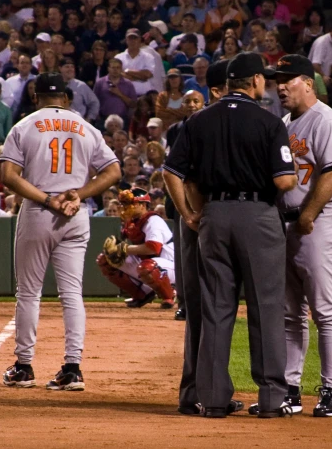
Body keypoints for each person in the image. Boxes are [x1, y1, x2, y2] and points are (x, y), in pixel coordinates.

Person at [163, 52, 297, 418]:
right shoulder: (269, 122)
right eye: (263, 79)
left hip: (214, 215)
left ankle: (213, 399)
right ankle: (271, 399)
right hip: (258, 216)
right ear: (254, 81)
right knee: (266, 307)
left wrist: (189, 212)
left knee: (216, 309)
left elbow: (171, 171)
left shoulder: (198, 121)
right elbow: (284, 180)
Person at [0, 72, 120, 391]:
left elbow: (8, 175)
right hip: (75, 212)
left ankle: (24, 367)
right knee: (72, 294)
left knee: (28, 292)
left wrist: (46, 199)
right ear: (66, 98)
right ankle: (72, 368)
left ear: (36, 97)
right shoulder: (87, 128)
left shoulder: (24, 125)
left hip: (41, 210)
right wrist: (79, 194)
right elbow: (114, 171)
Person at [255, 55, 332, 419]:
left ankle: (330, 391)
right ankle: (290, 390)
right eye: (277, 79)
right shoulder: (283, 124)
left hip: (320, 218)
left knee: (324, 309)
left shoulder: (325, 120)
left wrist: (307, 215)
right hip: (286, 222)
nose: (280, 85)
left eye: (288, 78)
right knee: (291, 313)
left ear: (308, 83)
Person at [164, 60, 228, 334]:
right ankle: (186, 304)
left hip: (210, 197)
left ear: (205, 101)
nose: (191, 105)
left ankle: (213, 306)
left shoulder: (213, 123)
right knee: (185, 256)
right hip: (185, 198)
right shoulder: (176, 130)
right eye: (187, 102)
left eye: (195, 101)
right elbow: (172, 168)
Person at [96, 188, 177, 308]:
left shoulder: (153, 220)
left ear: (143, 205)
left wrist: (124, 248)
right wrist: (117, 250)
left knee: (147, 266)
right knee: (106, 260)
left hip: (172, 266)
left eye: (130, 203)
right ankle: (142, 294)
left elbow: (153, 248)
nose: (126, 206)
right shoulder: (131, 222)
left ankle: (169, 296)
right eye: (125, 203)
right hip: (151, 263)